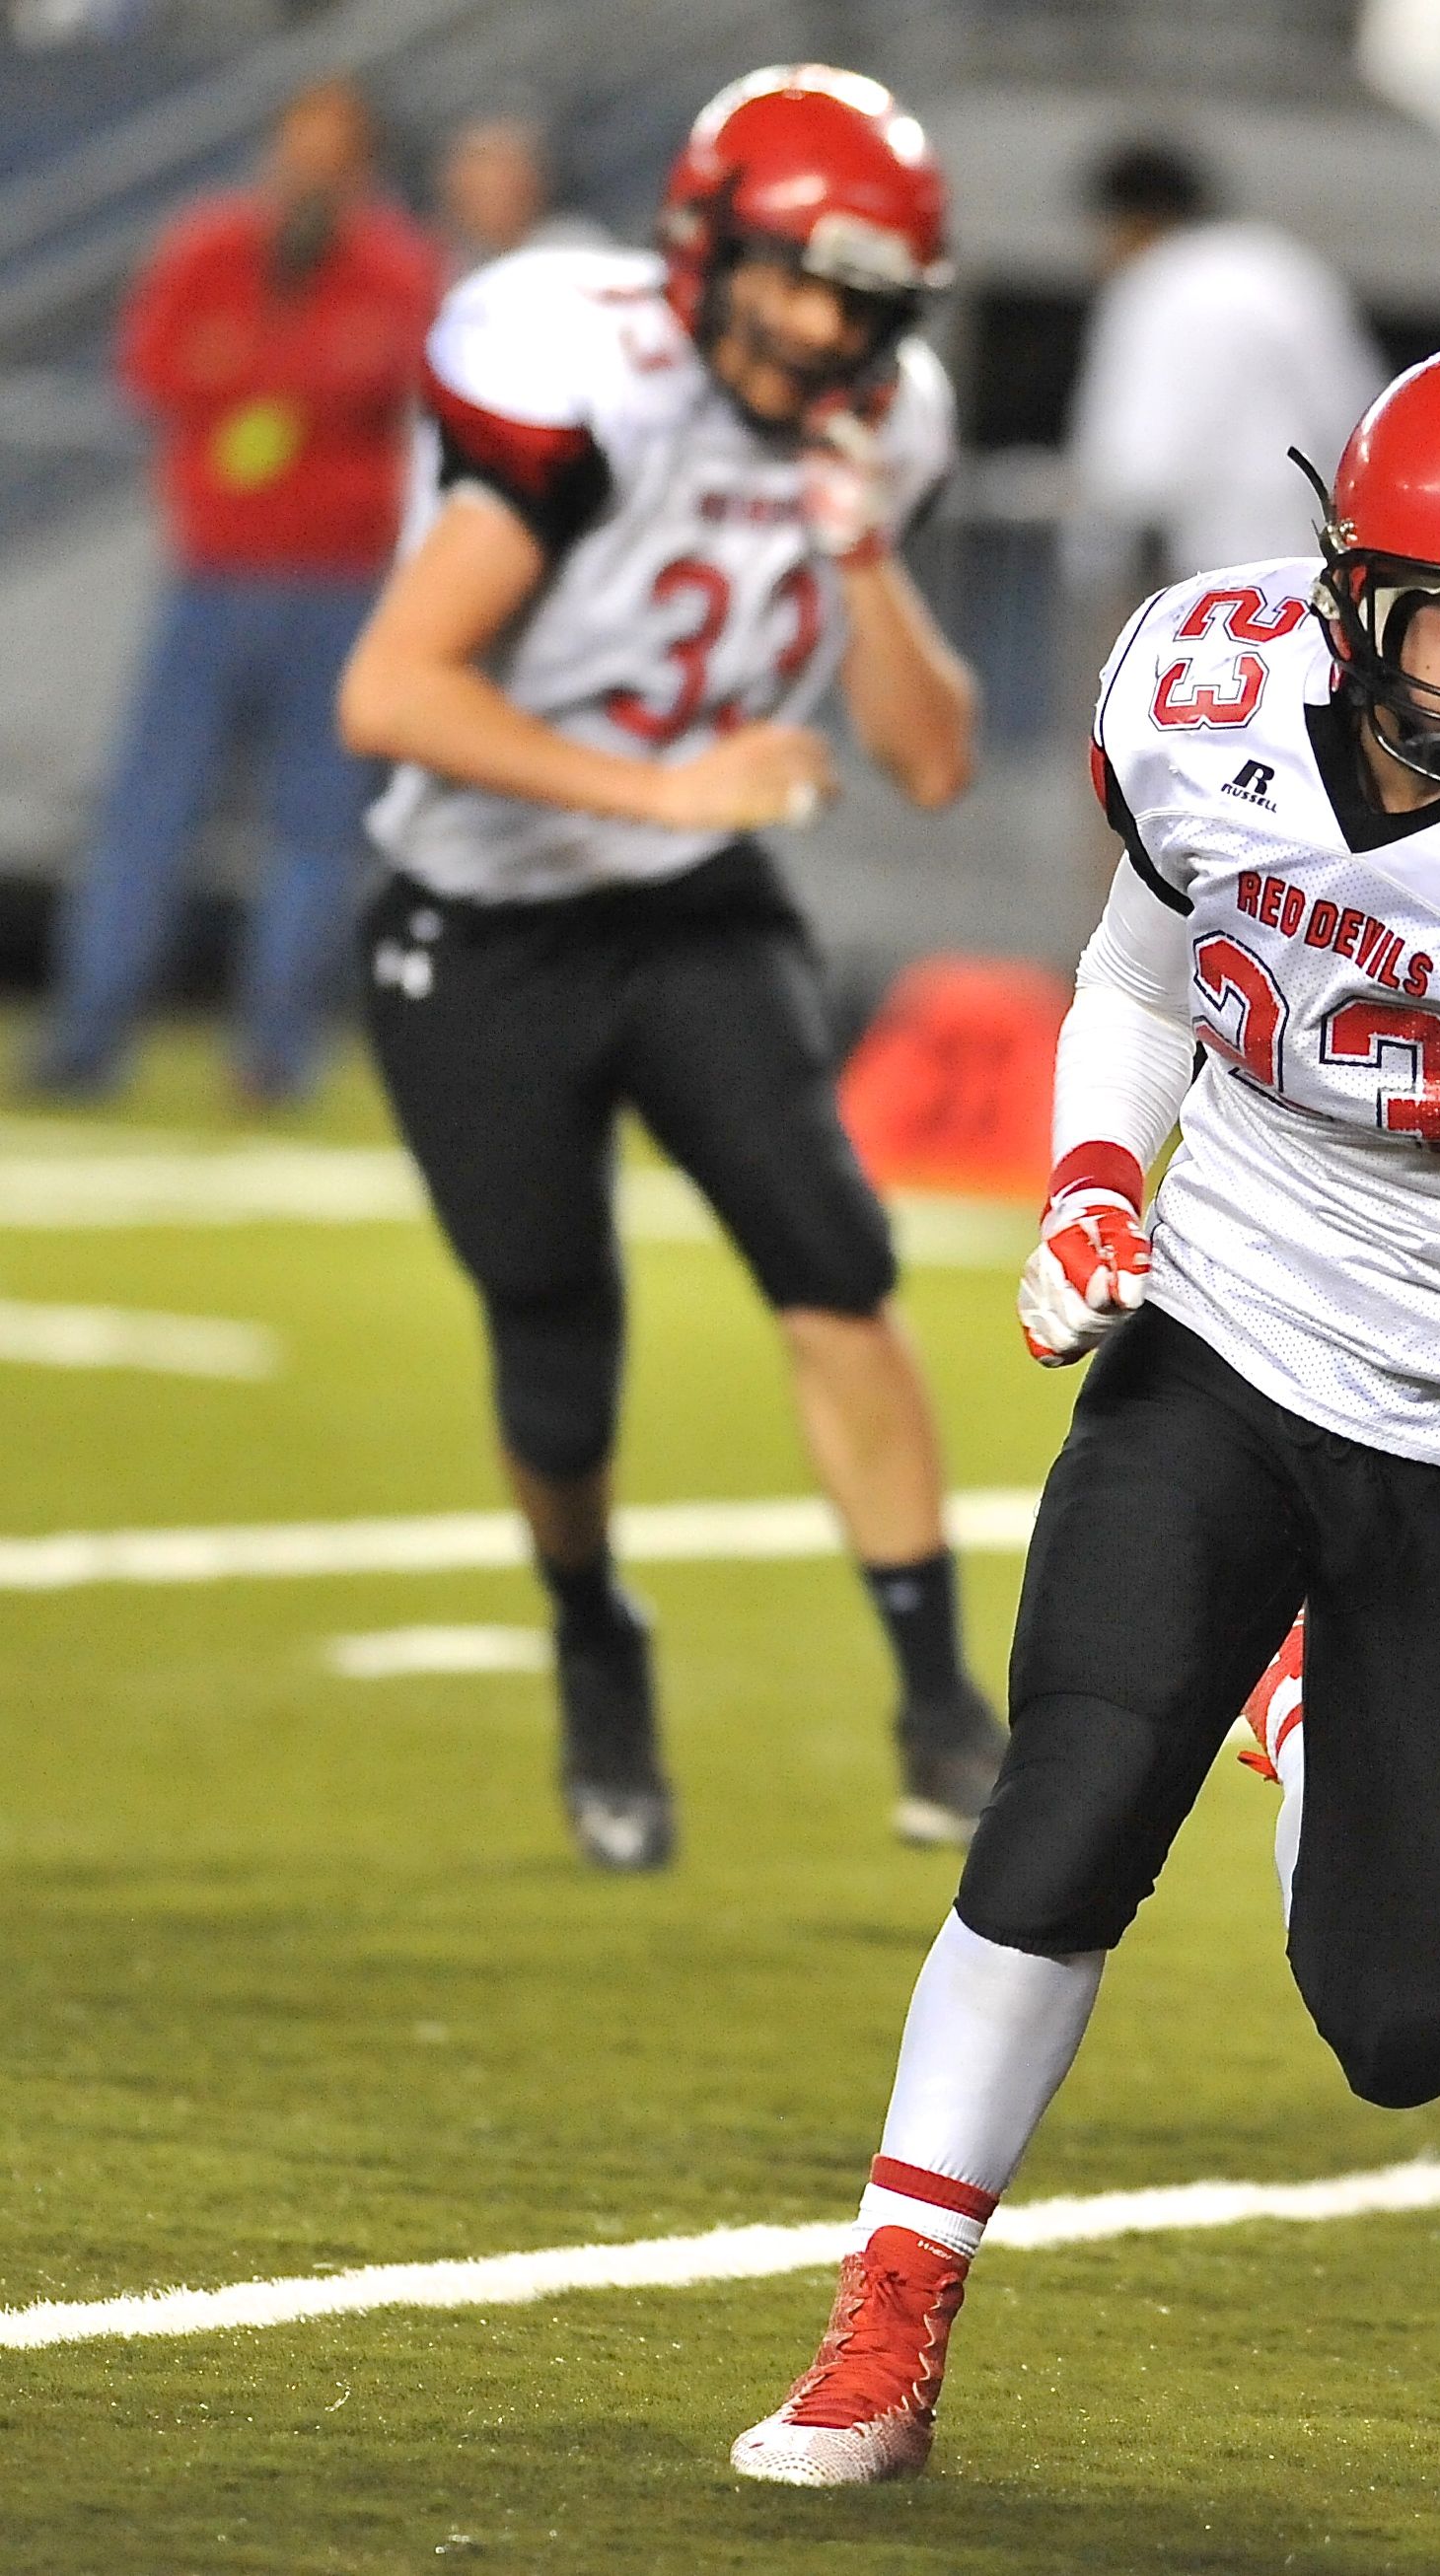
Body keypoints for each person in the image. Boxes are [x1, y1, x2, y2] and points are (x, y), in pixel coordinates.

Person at [726, 342, 1440, 2489]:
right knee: (1068, 1808)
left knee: (1402, 2025)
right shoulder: (1199, 685)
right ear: (1356, 591)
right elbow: (1137, 978)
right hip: (1229, 1327)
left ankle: (1301, 1699)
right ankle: (884, 2329)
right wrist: (1098, 1183)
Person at [333, 66, 999, 1872]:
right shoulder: (578, 376)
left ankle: (942, 1701)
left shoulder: (886, 421)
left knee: (833, 1260)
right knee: (557, 1344)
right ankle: (592, 1640)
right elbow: (392, 694)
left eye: (855, 295)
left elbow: (934, 762)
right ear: (703, 251)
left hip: (695, 904)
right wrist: (666, 780)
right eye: (790, 277)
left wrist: (857, 548)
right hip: (477, 917)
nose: (815, 327)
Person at [31, 77, 439, 1107]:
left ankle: (273, 1058)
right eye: (294, 152)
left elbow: (399, 383)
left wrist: (270, 388)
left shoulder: (397, 268)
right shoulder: (210, 248)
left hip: (340, 584)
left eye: (329, 158)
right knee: (145, 815)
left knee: (313, 830)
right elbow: (160, 371)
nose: (306, 176)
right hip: (213, 574)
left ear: (364, 172)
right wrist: (298, 394)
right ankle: (87, 1039)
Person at [1063, 139, 1383, 603]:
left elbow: (1135, 466)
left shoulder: (1154, 282)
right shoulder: (1285, 268)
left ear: (1131, 220)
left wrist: (1091, 556)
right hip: (1316, 565)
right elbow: (1357, 415)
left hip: (1201, 573)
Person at [432, 112, 605, 277]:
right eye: (476, 191)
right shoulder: (452, 260)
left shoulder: (572, 249)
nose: (489, 201)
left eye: (499, 186)